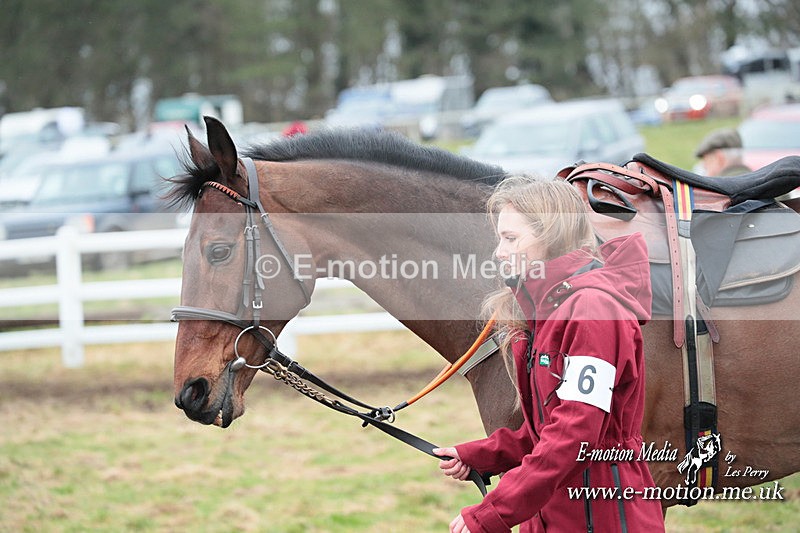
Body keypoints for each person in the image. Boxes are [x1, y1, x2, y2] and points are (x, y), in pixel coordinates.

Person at [433, 177, 665, 532]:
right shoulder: (549, 311)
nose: (498, 251)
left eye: (510, 238)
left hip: (601, 516)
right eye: (500, 238)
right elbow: (547, 430)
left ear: (551, 236)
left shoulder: (592, 311)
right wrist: (482, 455)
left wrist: (491, 512)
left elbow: (576, 436)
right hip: (555, 513)